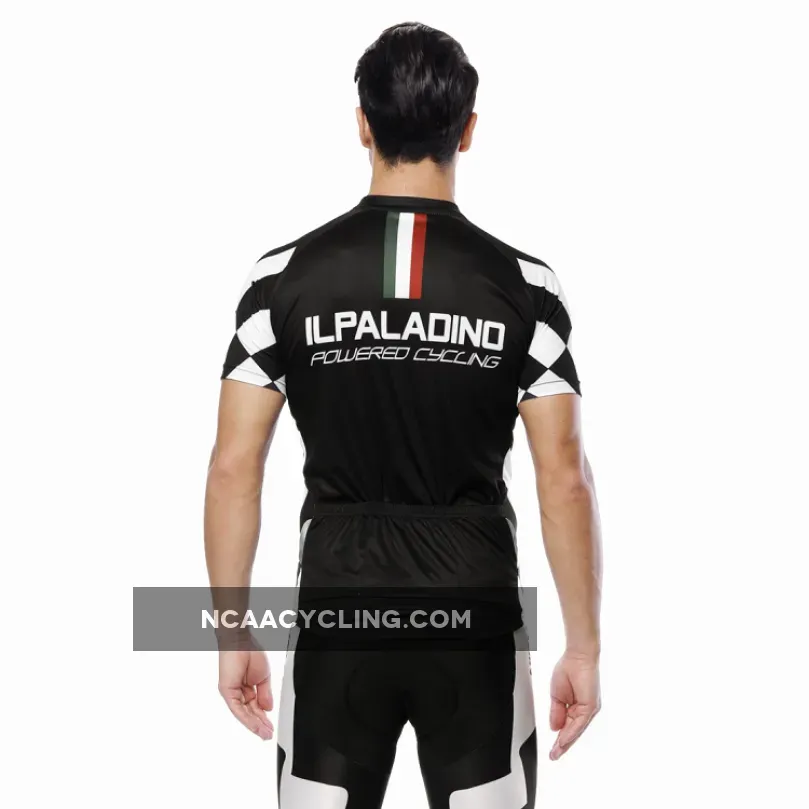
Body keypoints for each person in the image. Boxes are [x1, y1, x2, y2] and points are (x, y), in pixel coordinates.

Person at [205, 21, 602, 809]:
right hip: (475, 616)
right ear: (467, 129)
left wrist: (230, 631)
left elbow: (232, 467)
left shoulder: (279, 280)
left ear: (362, 123)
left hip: (337, 614)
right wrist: (583, 646)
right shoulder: (527, 288)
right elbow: (564, 480)